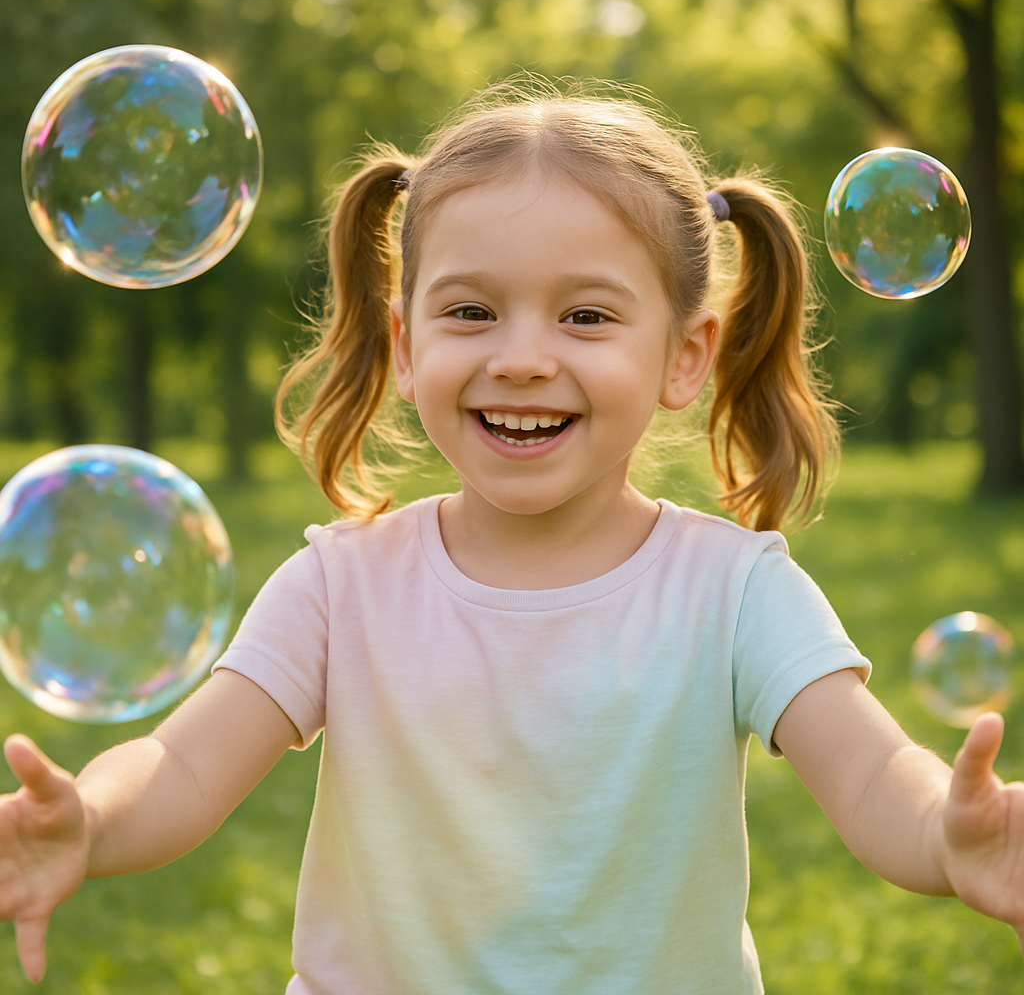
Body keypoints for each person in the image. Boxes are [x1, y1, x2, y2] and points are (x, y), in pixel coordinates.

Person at [1, 80, 1023, 995]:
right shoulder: (339, 585)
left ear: (684, 354)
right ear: (406, 345)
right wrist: (90, 820)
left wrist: (944, 831)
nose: (523, 357)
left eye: (585, 316)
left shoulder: (735, 590)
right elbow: (181, 767)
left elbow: (870, 774)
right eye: (472, 311)